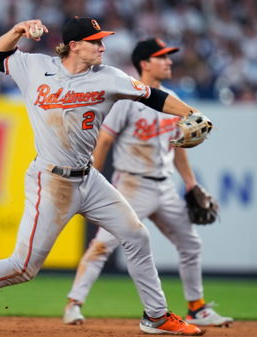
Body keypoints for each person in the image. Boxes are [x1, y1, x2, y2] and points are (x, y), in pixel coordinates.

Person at [0, 17, 206, 335]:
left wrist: (189, 113)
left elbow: (154, 96)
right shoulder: (35, 66)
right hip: (51, 181)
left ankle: (157, 315)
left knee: (137, 236)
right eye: (95, 41)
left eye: (102, 40)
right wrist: (17, 31)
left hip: (89, 180)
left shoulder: (109, 77)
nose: (102, 47)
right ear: (75, 45)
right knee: (24, 268)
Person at [62, 38, 233, 328]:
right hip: (131, 186)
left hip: (164, 187)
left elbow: (177, 148)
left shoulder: (171, 99)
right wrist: (91, 181)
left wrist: (191, 184)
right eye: (161, 57)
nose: (168, 62)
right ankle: (73, 304)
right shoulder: (127, 96)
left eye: (168, 57)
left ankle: (197, 308)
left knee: (190, 244)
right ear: (145, 63)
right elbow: (104, 141)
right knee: (103, 245)